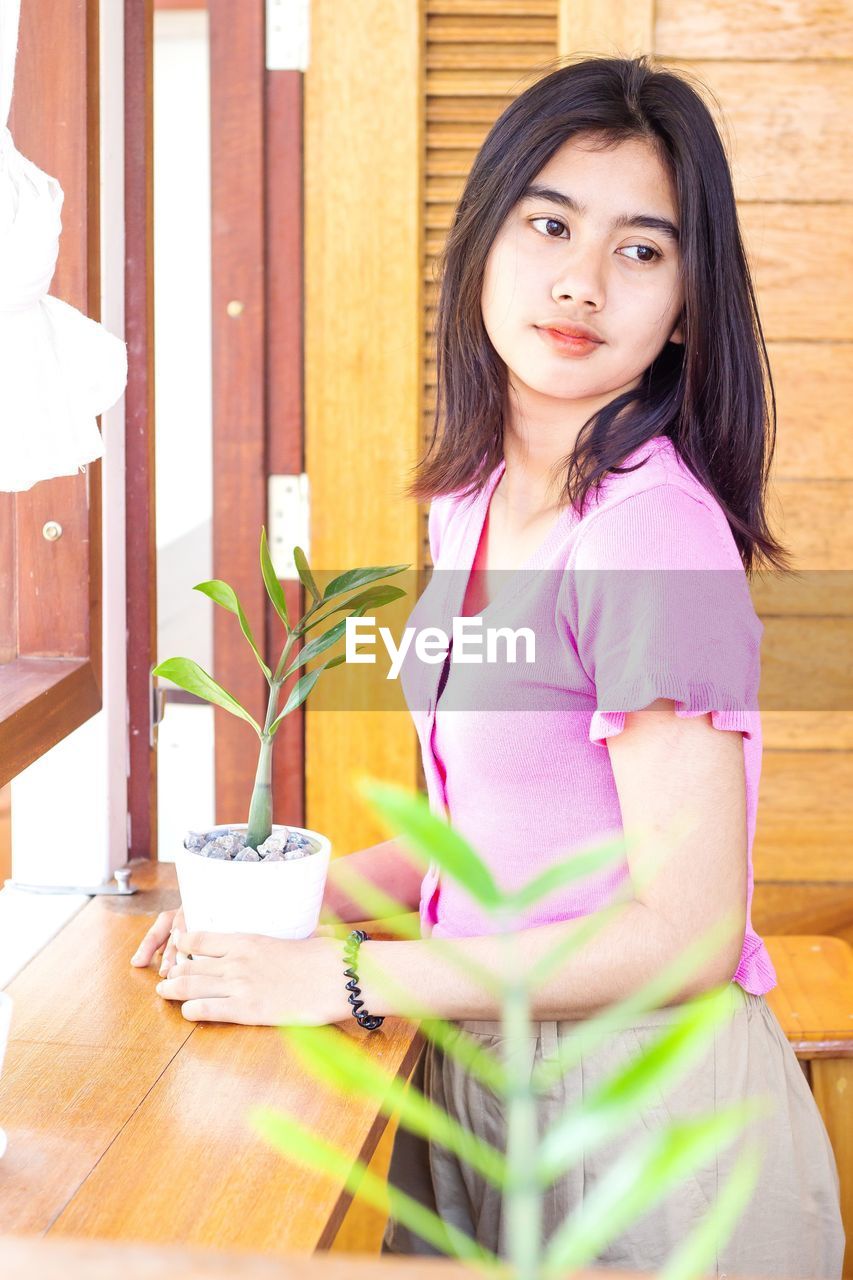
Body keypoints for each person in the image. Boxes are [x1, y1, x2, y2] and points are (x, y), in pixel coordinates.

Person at [131, 53, 845, 1278]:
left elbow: (683, 929)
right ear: (482, 245)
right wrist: (271, 917)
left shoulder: (646, 532)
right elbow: (500, 836)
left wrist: (346, 977)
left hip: (645, 1119)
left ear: (685, 302)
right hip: (475, 1072)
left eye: (640, 249)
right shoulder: (471, 500)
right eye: (550, 223)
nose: (580, 280)